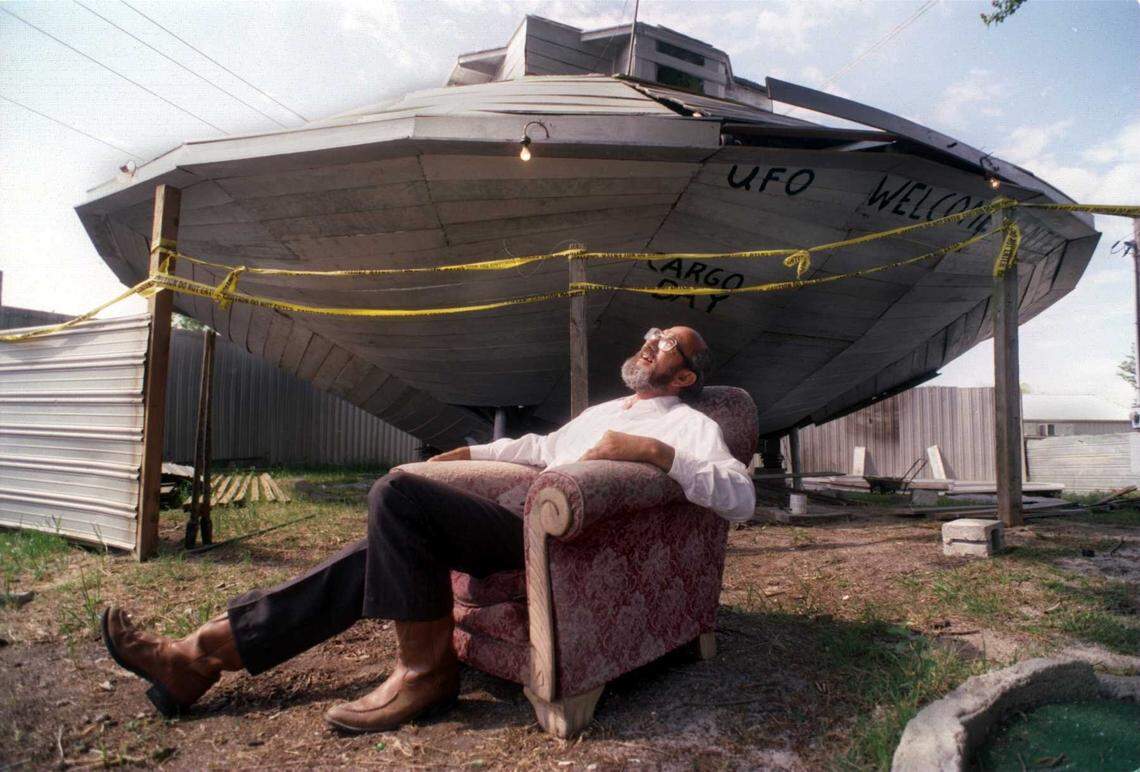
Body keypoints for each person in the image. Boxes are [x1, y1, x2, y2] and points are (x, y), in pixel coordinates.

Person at [101, 325, 755, 733]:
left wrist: (653, 455)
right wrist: (462, 457)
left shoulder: (692, 425)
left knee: (398, 501)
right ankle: (201, 657)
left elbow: (740, 496)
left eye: (666, 341)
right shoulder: (605, 409)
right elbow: (538, 446)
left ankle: (426, 675)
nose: (650, 340)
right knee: (391, 530)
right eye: (650, 333)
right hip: (519, 516)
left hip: (565, 542)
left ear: (686, 374)